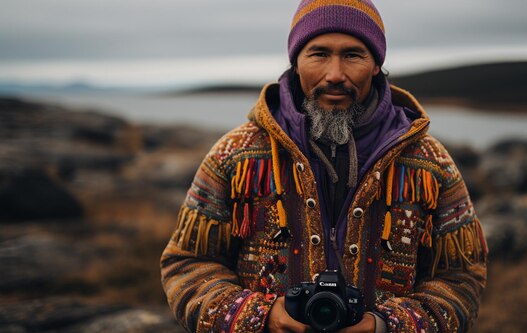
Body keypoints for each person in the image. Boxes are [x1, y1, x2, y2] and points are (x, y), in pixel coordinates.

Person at [161, 1, 488, 332]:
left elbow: (462, 276)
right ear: (296, 61)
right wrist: (258, 316)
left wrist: (387, 326)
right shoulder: (234, 156)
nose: (335, 74)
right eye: (318, 54)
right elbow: (187, 263)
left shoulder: (430, 164)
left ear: (376, 64)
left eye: (353, 55)